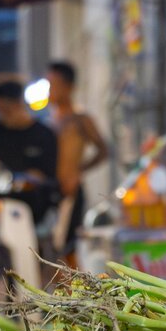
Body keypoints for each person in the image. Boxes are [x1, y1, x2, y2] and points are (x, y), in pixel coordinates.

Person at [46, 60, 106, 265]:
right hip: (51, 191)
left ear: (69, 87)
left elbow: (103, 150)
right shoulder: (50, 121)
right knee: (50, 248)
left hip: (72, 192)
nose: (50, 90)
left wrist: (78, 170)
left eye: (54, 85)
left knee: (69, 249)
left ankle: (74, 293)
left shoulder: (80, 119)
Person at [0, 73, 60, 219]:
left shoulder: (43, 134)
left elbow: (46, 175)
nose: (1, 115)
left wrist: (22, 178)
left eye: (4, 110)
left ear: (17, 104)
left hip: (33, 210)